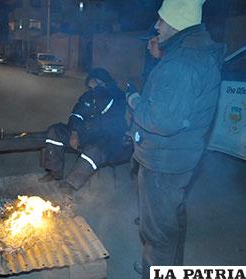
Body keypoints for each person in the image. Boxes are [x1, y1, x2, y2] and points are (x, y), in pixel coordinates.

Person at [126, 0, 225, 278]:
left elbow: (163, 120)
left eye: (161, 20)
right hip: (178, 159)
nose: (157, 26)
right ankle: (169, 270)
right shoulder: (194, 52)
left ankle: (155, 270)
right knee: (171, 224)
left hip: (163, 163)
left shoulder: (182, 62)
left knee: (156, 233)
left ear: (177, 22)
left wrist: (135, 101)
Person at [40, 68, 131, 197]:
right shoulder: (88, 96)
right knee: (55, 131)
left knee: (93, 150)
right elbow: (76, 114)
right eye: (90, 86)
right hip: (86, 133)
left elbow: (105, 117)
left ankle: (70, 184)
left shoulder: (117, 96)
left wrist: (98, 90)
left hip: (109, 137)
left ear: (103, 83)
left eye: (93, 85)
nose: (90, 89)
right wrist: (74, 132)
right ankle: (54, 172)